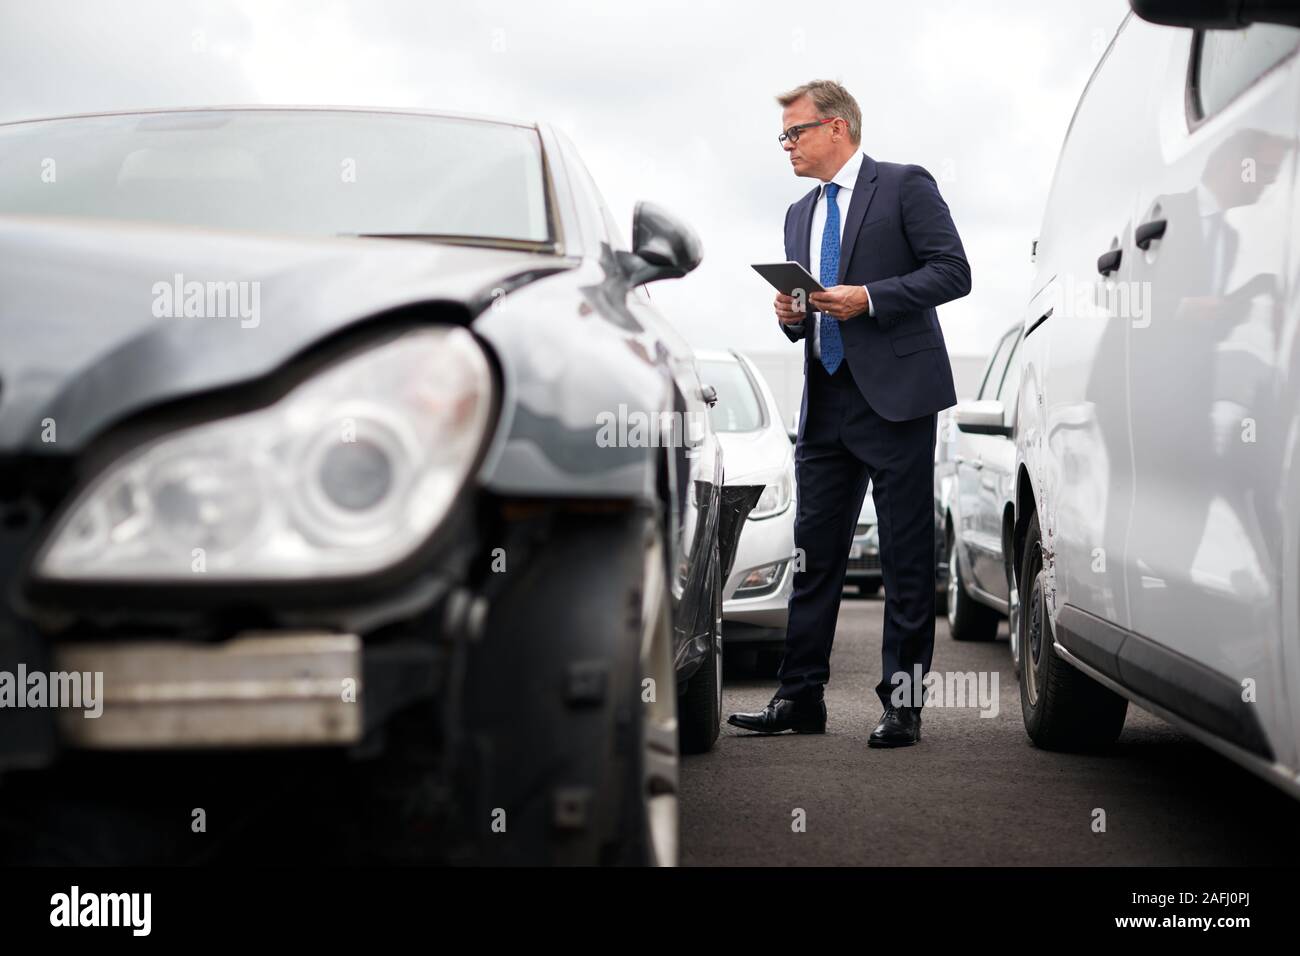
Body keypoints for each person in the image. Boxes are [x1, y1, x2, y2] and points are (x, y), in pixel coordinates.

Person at [728, 79, 970, 747]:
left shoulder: (904, 185)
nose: (787, 145)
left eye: (795, 132)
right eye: (783, 135)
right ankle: (799, 698)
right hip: (826, 402)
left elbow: (953, 271)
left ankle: (904, 707)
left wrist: (868, 296)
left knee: (906, 559)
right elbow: (809, 313)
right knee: (814, 557)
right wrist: (791, 316)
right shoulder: (796, 214)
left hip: (897, 400)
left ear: (836, 128)